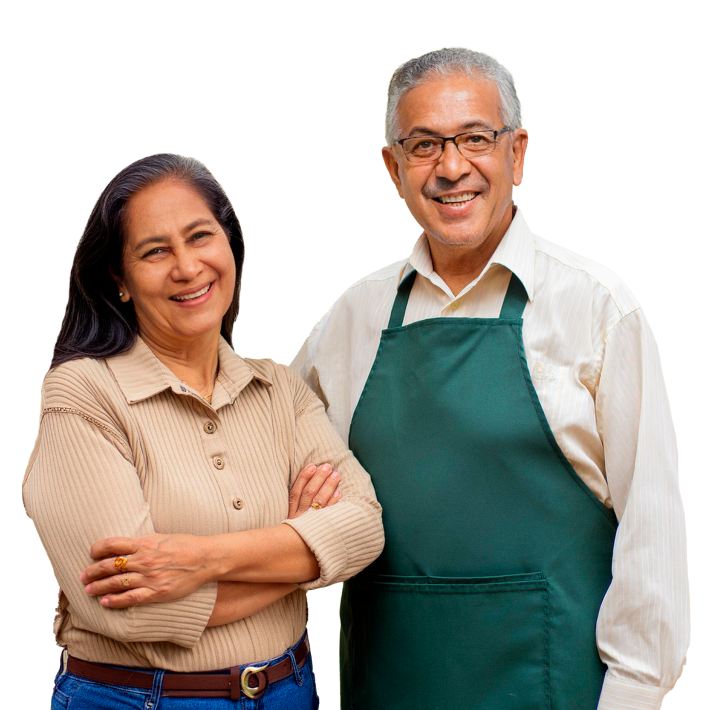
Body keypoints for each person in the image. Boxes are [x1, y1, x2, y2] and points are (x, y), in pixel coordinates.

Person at [290, 46, 689, 709]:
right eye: (423, 146)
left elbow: (652, 531)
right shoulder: (352, 319)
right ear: (393, 168)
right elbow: (274, 475)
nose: (452, 168)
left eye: (476, 138)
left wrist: (633, 698)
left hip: (555, 690)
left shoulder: (596, 308)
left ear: (517, 153)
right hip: (386, 688)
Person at [21, 153, 384, 709]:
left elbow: (362, 527)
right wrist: (304, 543)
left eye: (199, 237)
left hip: (291, 691)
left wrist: (201, 560)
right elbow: (133, 607)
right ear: (119, 280)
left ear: (231, 246)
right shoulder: (84, 393)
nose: (187, 267)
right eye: (155, 251)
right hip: (140, 699)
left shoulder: (278, 389)